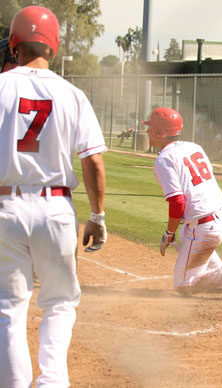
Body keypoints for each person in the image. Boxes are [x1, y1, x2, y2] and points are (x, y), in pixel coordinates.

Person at [0, 6, 107, 387]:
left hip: (5, 207)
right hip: (56, 209)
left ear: (13, 45)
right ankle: (51, 383)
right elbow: (93, 161)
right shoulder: (72, 93)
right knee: (60, 303)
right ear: (55, 46)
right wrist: (98, 216)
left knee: (9, 308)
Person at [141, 107, 222, 299]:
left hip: (206, 227)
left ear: (159, 132)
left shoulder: (163, 159)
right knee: (185, 234)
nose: (147, 131)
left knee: (183, 285)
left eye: (150, 128)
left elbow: (177, 202)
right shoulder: (193, 146)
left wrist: (168, 233)